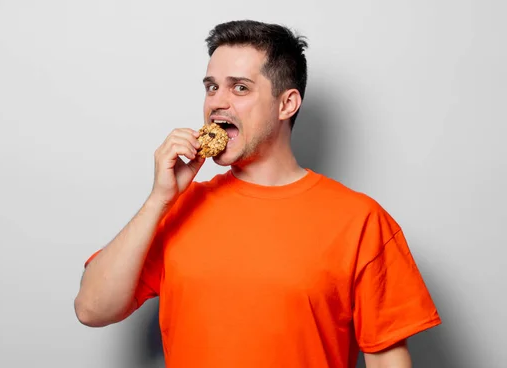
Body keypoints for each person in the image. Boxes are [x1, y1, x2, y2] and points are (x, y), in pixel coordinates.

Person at [74, 19, 442, 368]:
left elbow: (387, 358)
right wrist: (158, 200)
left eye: (240, 87)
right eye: (211, 86)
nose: (217, 101)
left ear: (287, 104)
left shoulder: (360, 220)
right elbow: (92, 309)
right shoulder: (179, 207)